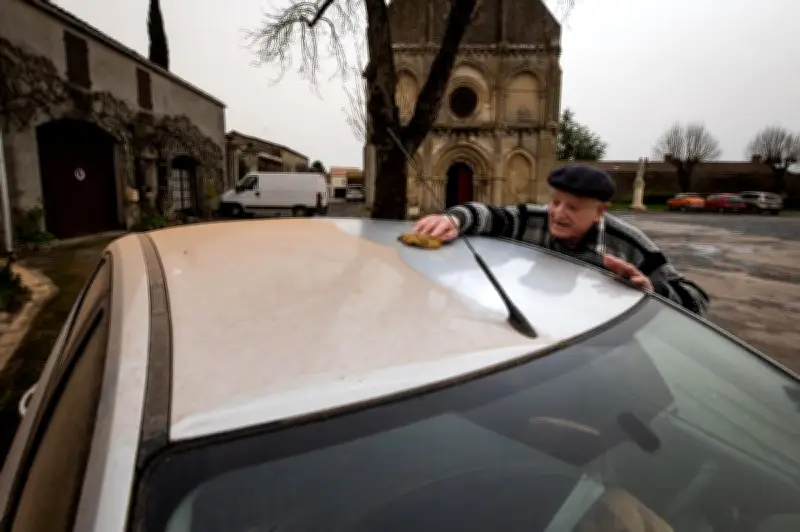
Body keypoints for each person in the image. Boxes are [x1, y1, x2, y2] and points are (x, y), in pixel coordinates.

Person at [412, 165, 709, 316]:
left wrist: (650, 288)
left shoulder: (630, 244)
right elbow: (494, 216)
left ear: (600, 212)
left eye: (573, 207)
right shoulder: (537, 219)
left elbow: (697, 300)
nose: (557, 214)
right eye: (555, 202)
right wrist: (455, 219)